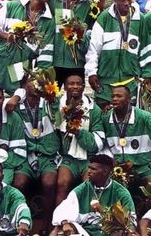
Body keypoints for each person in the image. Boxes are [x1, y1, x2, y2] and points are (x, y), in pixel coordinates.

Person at [6, 76, 61, 235]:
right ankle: (20, 224)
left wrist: (49, 94)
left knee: (49, 183)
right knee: (19, 184)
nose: (37, 85)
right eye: (32, 81)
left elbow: (58, 110)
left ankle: (46, 225)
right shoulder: (16, 105)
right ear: (24, 86)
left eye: (40, 83)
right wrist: (16, 96)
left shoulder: (50, 103)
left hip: (47, 155)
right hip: (26, 155)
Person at [0, 0, 55, 98]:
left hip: (20, 66)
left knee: (16, 102)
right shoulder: (12, 6)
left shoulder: (49, 21)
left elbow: (46, 54)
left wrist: (37, 77)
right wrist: (6, 36)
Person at [85, 0, 151, 108]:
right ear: (114, 0)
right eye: (122, 0)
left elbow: (146, 48)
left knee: (127, 118)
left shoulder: (140, 19)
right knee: (105, 119)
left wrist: (148, 74)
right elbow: (93, 49)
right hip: (105, 82)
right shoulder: (104, 17)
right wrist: (92, 72)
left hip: (130, 82)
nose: (126, 3)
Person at [102, 85, 151, 188]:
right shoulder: (106, 118)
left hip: (143, 168)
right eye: (113, 96)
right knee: (109, 189)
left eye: (119, 96)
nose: (115, 99)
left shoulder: (142, 115)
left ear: (128, 99)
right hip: (117, 168)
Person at [51, 155, 136, 236]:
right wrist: (65, 223)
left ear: (105, 172)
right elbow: (64, 208)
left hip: (111, 233)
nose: (88, 172)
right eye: (89, 168)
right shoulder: (82, 189)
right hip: (86, 231)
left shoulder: (121, 192)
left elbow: (131, 221)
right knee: (60, 229)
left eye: (93, 169)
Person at [54, 73, 105, 206]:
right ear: (64, 87)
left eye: (78, 84)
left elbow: (98, 143)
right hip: (67, 158)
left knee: (88, 185)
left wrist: (79, 133)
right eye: (71, 84)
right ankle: (59, 222)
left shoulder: (94, 110)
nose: (75, 87)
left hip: (88, 158)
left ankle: (86, 220)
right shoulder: (57, 107)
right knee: (62, 183)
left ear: (83, 87)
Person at [48, 0, 98, 86]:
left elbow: (92, 36)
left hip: (77, 64)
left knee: (75, 98)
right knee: (51, 97)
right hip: (55, 62)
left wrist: (80, 36)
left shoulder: (91, 5)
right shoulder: (53, 0)